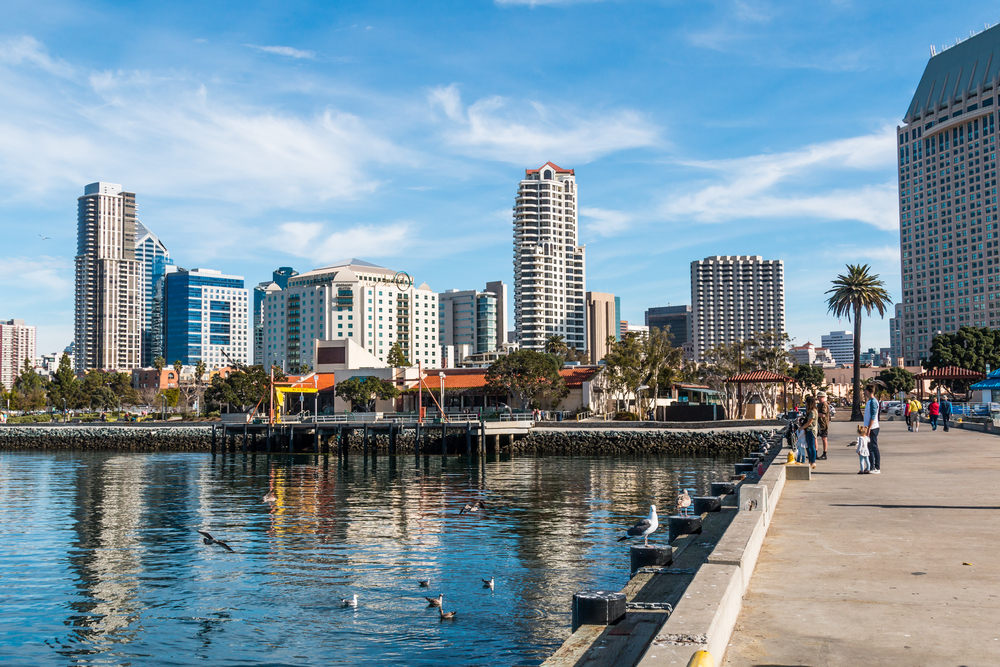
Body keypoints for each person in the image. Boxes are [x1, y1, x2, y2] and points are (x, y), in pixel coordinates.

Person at [863, 384, 881, 474]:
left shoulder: (873, 401)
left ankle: (876, 467)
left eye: (865, 390)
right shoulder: (869, 401)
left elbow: (873, 416)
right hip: (868, 427)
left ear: (869, 391)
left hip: (873, 428)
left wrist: (869, 428)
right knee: (869, 448)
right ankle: (871, 466)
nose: (864, 392)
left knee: (874, 447)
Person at [802, 395, 818, 469]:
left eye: (806, 402)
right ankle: (811, 461)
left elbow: (809, 422)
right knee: (808, 446)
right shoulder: (811, 411)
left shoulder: (812, 411)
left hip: (811, 430)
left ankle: (813, 461)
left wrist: (801, 428)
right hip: (808, 430)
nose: (805, 404)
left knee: (811, 446)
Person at [816, 391, 830, 460]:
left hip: (823, 424)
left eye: (819, 397)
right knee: (815, 437)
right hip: (819, 424)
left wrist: (814, 414)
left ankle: (824, 453)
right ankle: (815, 453)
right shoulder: (819, 404)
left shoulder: (824, 404)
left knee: (824, 438)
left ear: (823, 397)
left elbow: (823, 414)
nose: (818, 398)